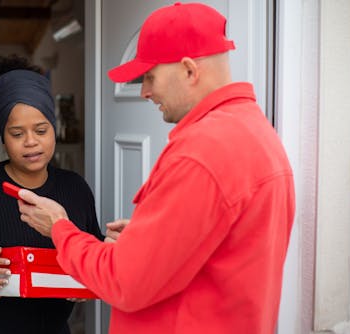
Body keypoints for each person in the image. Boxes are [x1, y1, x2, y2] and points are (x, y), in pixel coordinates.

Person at [16, 2, 295, 334]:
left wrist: (60, 229)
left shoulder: (201, 152)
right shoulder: (257, 133)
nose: (145, 91)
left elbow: (124, 282)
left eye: (149, 76)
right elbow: (220, 247)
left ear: (190, 70)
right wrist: (147, 239)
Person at [0, 55, 104, 334]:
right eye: (17, 133)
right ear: (3, 137)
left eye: (41, 130)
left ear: (54, 129)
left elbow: (91, 252)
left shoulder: (75, 189)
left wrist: (88, 282)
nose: (31, 142)